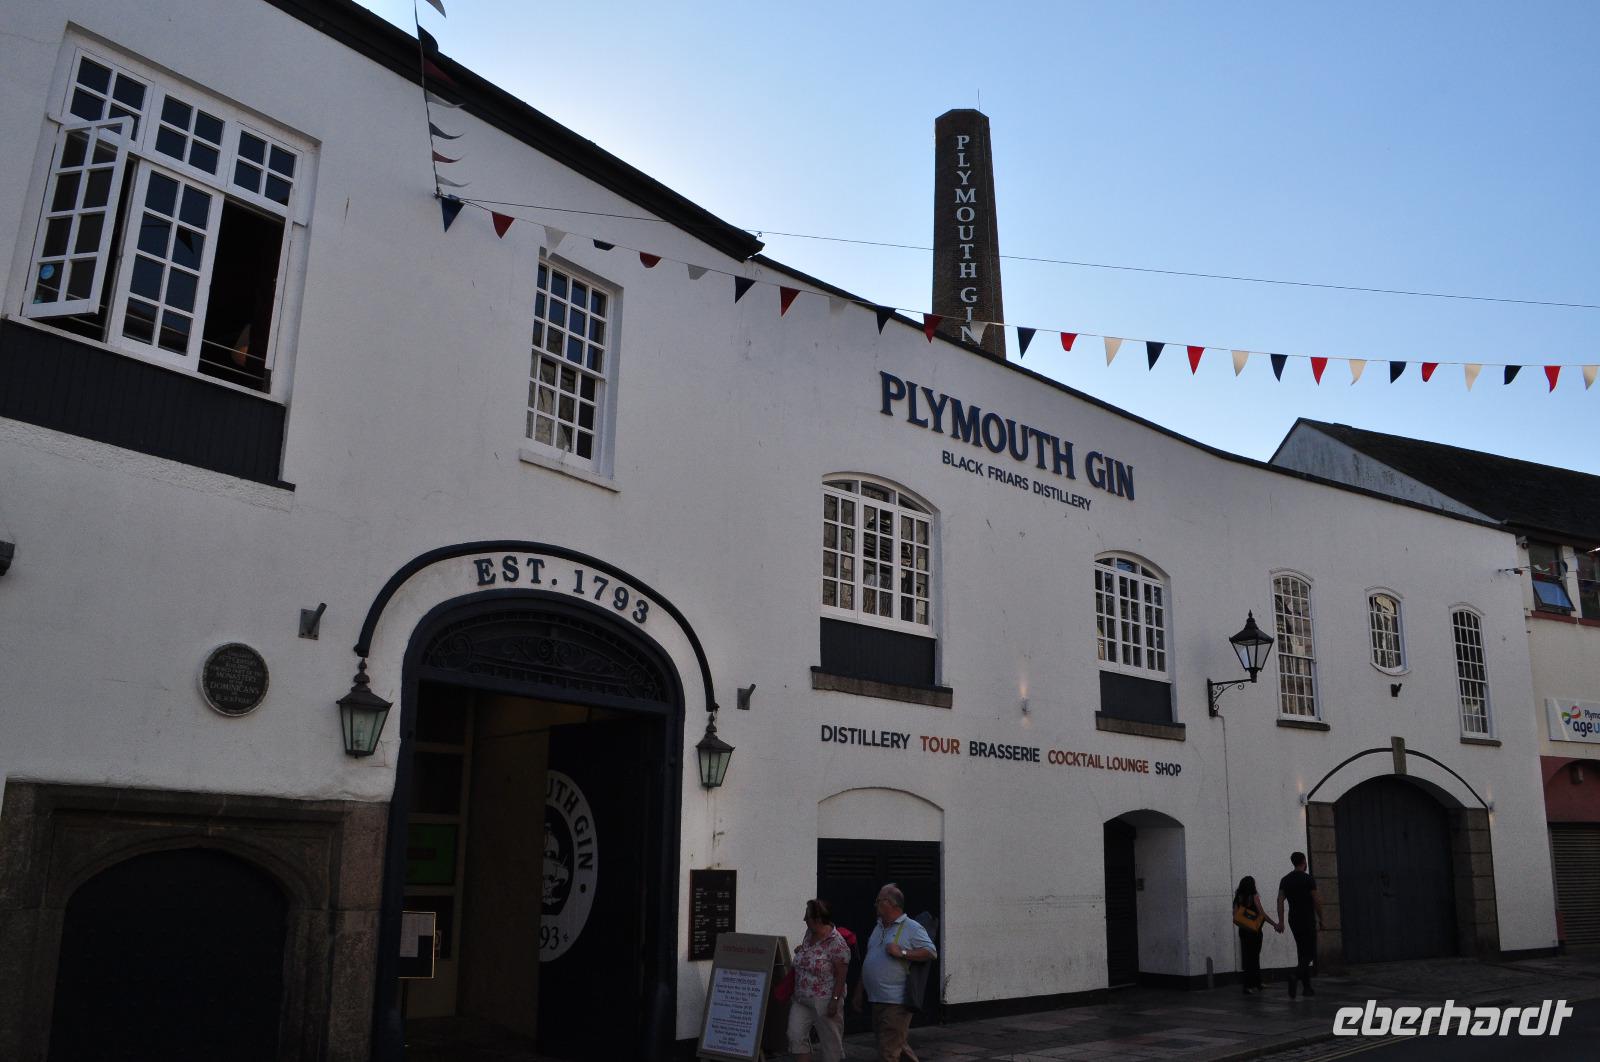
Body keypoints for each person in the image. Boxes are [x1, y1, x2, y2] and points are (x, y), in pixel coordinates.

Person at [850, 884, 937, 1062]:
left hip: (896, 1001)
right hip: (877, 998)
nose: (875, 904)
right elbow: (870, 960)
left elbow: (931, 952)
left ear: (891, 904)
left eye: (879, 901)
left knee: (888, 1051)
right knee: (895, 1044)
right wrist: (859, 991)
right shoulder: (878, 927)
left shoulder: (912, 927)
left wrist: (902, 952)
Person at [787, 898, 850, 1062]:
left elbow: (841, 975)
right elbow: (812, 955)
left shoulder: (837, 943)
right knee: (795, 1036)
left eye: (807, 917)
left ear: (818, 919)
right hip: (801, 997)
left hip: (824, 1000)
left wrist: (834, 1001)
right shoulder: (809, 934)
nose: (804, 920)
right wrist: (802, 952)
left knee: (831, 1045)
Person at [1275, 851, 1324, 998]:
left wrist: (1281, 921)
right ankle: (1295, 976)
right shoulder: (1308, 879)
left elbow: (1279, 901)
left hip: (1294, 919)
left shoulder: (1285, 880)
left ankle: (1307, 988)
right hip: (1307, 919)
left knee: (1302, 952)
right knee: (1310, 953)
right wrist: (1321, 918)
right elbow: (1316, 900)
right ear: (1303, 861)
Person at [1232, 875, 1279, 994]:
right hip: (1255, 931)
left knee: (1247, 957)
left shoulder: (1238, 898)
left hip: (1243, 931)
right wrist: (1274, 924)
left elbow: (1235, 916)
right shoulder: (1254, 897)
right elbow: (1262, 914)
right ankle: (1255, 983)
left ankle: (1249, 985)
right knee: (1255, 957)